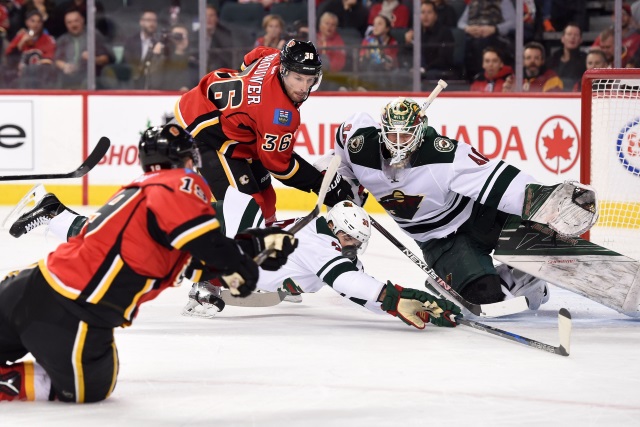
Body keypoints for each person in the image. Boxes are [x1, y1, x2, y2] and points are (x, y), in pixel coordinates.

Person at [0, 124, 297, 403]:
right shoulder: (179, 183)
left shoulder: (135, 193)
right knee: (92, 386)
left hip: (24, 287)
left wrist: (255, 245)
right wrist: (239, 265)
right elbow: (208, 245)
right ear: (188, 160)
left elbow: (187, 261)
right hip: (68, 312)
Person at [327, 97, 597, 310]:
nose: (398, 144)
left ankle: (531, 264)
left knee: (541, 237)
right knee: (485, 297)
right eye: (392, 135)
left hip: (480, 218)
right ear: (383, 130)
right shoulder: (359, 145)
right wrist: (346, 186)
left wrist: (550, 200)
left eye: (406, 136)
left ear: (419, 133)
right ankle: (519, 278)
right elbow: (342, 144)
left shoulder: (442, 153)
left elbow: (499, 181)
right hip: (440, 243)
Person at [182, 193, 462, 329]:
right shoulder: (317, 242)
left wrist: (394, 308)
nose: (353, 247)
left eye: (358, 242)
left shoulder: (330, 242)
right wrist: (396, 297)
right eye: (350, 239)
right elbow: (346, 280)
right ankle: (205, 282)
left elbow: (356, 290)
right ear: (336, 230)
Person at [174, 40, 354, 225]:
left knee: (267, 200)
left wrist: (248, 94)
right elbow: (279, 166)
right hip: (202, 131)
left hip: (232, 126)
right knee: (248, 209)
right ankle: (241, 246)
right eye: (298, 78)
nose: (303, 88)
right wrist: (319, 184)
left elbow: (250, 58)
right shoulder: (278, 114)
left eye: (310, 80)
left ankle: (264, 240)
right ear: (284, 70)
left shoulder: (274, 57)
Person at [457, 0, 516, 81]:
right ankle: (467, 77)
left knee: (482, 42)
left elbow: (513, 23)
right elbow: (461, 23)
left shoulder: (504, 2)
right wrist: (468, 28)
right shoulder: (473, 2)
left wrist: (495, 29)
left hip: (495, 36)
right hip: (472, 35)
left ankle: (482, 77)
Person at [53, 8, 112, 89]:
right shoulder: (62, 40)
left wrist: (93, 59)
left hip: (90, 80)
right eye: (69, 22)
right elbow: (57, 60)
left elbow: (105, 59)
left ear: (82, 20)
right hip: (67, 80)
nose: (73, 25)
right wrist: (65, 66)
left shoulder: (94, 36)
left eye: (76, 21)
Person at [400, 0, 455, 79]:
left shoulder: (445, 32)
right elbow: (403, 55)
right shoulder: (414, 33)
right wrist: (407, 43)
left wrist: (425, 68)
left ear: (436, 16)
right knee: (398, 74)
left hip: (435, 69)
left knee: (428, 75)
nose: (425, 16)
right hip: (416, 69)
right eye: (422, 12)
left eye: (429, 12)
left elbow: (444, 59)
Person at [3, 9, 56, 88]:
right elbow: (9, 57)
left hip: (41, 79)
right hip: (20, 79)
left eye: (39, 22)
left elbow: (49, 61)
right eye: (33, 21)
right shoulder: (20, 37)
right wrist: (21, 43)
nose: (36, 24)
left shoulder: (48, 39)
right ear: (27, 22)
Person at [122, 9, 160, 89]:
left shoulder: (159, 42)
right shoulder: (131, 41)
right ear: (141, 22)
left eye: (154, 21)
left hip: (153, 80)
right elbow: (127, 61)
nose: (152, 24)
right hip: (134, 79)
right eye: (149, 20)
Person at [546, 23, 586, 92]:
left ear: (581, 39)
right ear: (562, 38)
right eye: (569, 34)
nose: (572, 37)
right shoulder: (553, 59)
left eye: (576, 35)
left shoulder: (585, 60)